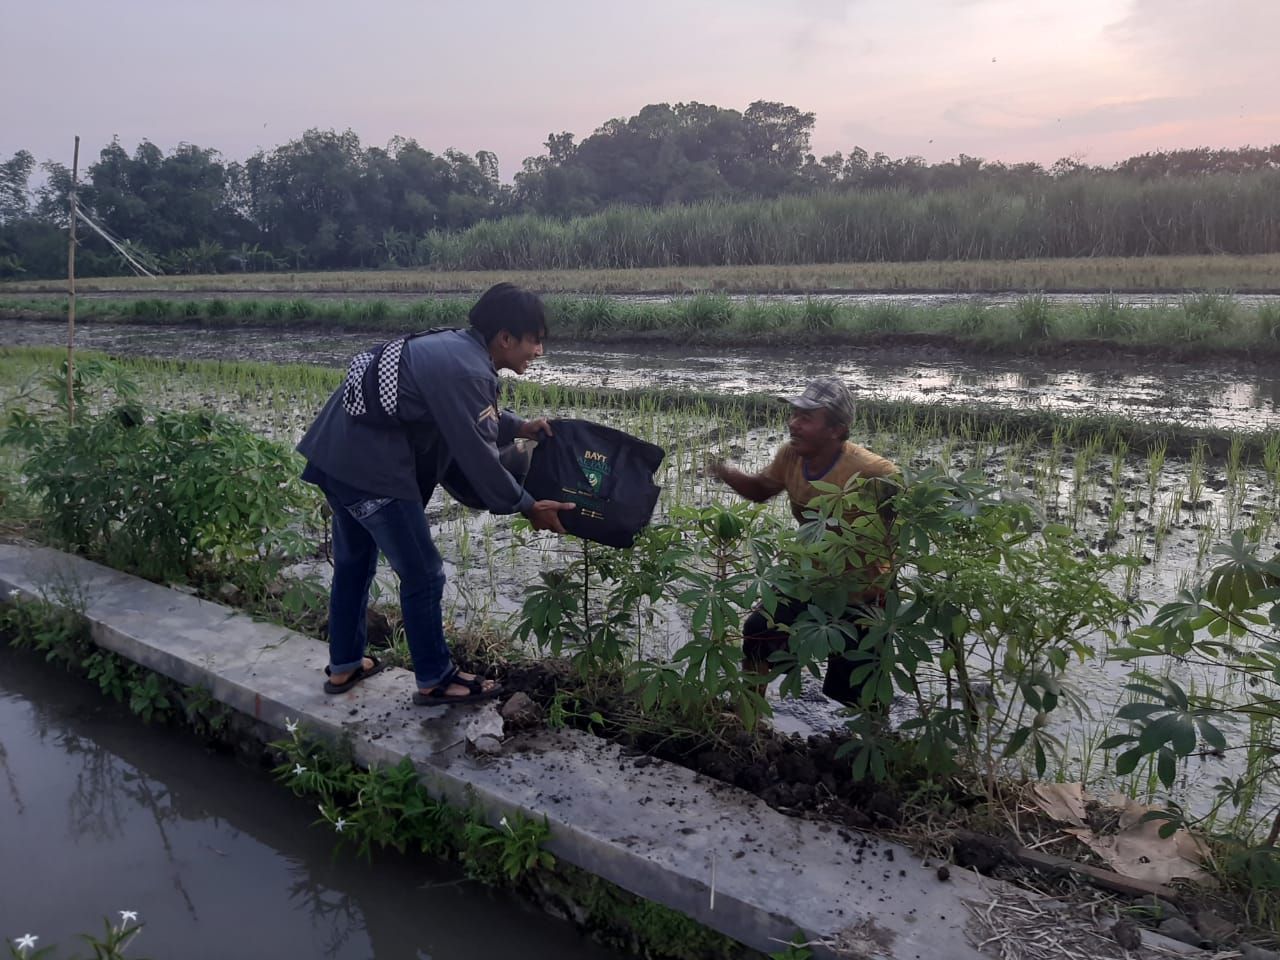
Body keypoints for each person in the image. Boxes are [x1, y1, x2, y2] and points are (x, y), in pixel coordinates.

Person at [297, 283, 574, 704]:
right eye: (535, 340)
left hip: (336, 457)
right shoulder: (467, 369)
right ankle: (434, 678)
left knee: (355, 563)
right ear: (505, 338)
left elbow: (462, 414)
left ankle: (344, 666)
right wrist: (528, 505)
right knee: (423, 572)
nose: (538, 351)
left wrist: (517, 427)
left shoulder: (453, 346)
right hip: (372, 472)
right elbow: (479, 457)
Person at [709, 376, 899, 707]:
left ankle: (872, 747)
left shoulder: (874, 471)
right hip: (810, 577)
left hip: (862, 591)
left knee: (859, 689)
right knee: (758, 631)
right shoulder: (791, 457)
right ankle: (746, 718)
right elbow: (761, 490)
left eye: (806, 418)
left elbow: (905, 523)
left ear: (837, 430)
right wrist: (724, 471)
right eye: (794, 414)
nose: (793, 424)